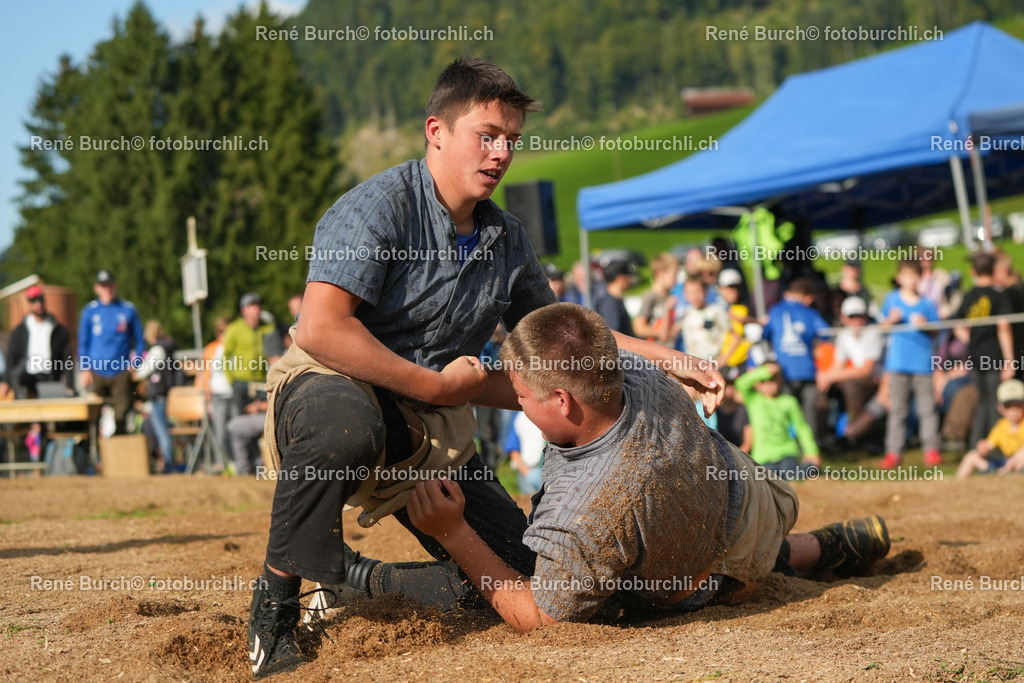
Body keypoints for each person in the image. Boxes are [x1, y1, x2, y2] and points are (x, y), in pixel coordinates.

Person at [246, 58, 724, 679]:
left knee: (526, 582)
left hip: (431, 428)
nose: (500, 152)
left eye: (511, 140)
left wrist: (671, 360)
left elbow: (563, 342)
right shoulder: (376, 208)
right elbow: (320, 327)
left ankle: (357, 583)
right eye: (487, 134)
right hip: (331, 386)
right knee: (343, 428)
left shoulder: (509, 238)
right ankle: (275, 613)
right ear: (436, 131)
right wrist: (435, 384)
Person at [401, 303, 889, 631]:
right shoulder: (631, 372)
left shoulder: (587, 512)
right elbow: (598, 359)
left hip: (717, 573)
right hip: (759, 499)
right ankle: (825, 548)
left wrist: (453, 532)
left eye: (523, 397)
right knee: (686, 526)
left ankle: (787, 562)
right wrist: (435, 388)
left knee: (599, 590)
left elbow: (539, 617)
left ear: (563, 401)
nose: (518, 405)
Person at [879, 259, 941, 469]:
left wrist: (926, 325)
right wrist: (891, 320)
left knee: (927, 409)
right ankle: (893, 453)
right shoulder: (892, 299)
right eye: (906, 275)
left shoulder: (927, 304)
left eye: (915, 275)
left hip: (923, 364)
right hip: (897, 365)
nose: (911, 280)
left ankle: (931, 450)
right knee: (897, 410)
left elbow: (937, 332)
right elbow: (881, 328)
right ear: (899, 278)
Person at [954, 252, 1016, 448]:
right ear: (993, 270)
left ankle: (975, 446)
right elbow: (1004, 327)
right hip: (995, 356)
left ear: (973, 271)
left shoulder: (969, 295)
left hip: (976, 357)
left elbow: (957, 324)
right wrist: (1009, 360)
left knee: (983, 402)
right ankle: (994, 449)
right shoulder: (999, 295)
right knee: (997, 404)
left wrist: (970, 340)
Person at [762, 277, 829, 442]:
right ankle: (811, 456)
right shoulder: (810, 313)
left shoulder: (775, 310)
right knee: (808, 415)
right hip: (807, 371)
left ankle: (787, 450)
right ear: (808, 297)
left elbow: (765, 335)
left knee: (784, 412)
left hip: (784, 371)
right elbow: (826, 334)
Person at [78, 270, 145, 435]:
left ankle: (118, 450)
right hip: (96, 371)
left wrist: (135, 364)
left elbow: (140, 341)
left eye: (109, 285)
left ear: (115, 286)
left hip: (120, 371)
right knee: (93, 414)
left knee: (121, 413)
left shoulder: (127, 310)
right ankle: (95, 452)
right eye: (103, 286)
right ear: (97, 288)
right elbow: (83, 343)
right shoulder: (90, 311)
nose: (107, 289)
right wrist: (85, 369)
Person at [814, 296, 883, 443]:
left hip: (875, 381)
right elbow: (839, 364)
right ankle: (822, 437)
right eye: (852, 317)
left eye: (860, 316)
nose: (856, 320)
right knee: (821, 388)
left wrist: (831, 376)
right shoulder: (844, 335)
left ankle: (853, 434)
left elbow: (866, 370)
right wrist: (825, 377)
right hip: (856, 379)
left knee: (851, 385)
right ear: (844, 318)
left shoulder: (873, 333)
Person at [736, 362, 821, 475]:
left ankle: (811, 469)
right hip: (763, 457)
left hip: (787, 452)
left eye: (772, 379)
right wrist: (766, 371)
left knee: (791, 475)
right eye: (764, 380)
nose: (768, 383)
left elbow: (802, 428)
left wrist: (811, 451)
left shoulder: (789, 401)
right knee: (766, 479)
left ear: (780, 380)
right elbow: (741, 383)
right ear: (757, 384)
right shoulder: (753, 400)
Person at [1, 285, 75, 399]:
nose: (38, 304)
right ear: (29, 304)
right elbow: (11, 357)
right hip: (26, 378)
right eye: (33, 301)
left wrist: (70, 384)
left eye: (40, 300)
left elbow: (67, 358)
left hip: (51, 378)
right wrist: (6, 382)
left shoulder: (59, 330)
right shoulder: (20, 331)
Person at [133, 320, 178, 473]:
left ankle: (168, 464)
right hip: (165, 394)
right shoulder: (167, 347)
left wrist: (134, 373)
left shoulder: (158, 350)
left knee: (162, 432)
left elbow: (144, 371)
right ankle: (167, 462)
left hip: (159, 395)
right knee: (162, 430)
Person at [956, 378, 1024, 478]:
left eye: (1018, 406)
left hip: (1018, 465)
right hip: (1002, 466)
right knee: (970, 457)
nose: (1014, 411)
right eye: (1009, 406)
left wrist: (1013, 461)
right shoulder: (1001, 426)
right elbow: (989, 445)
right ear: (1000, 408)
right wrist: (982, 449)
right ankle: (956, 483)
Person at [223, 292, 275, 418]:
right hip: (241, 382)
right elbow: (225, 355)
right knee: (241, 421)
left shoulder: (267, 327)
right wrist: (232, 381)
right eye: (253, 306)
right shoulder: (234, 329)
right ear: (244, 310)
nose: (257, 309)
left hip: (262, 382)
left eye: (258, 305)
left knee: (267, 418)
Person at [198, 317, 233, 462]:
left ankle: (238, 463)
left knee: (234, 430)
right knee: (220, 432)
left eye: (225, 331)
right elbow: (204, 373)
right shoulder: (211, 349)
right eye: (220, 331)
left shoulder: (234, 347)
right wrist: (206, 398)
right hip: (217, 395)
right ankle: (222, 462)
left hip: (233, 394)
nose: (222, 334)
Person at [674, 277, 731, 365]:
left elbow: (735, 336)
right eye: (689, 292)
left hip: (714, 363)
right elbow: (668, 336)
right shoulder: (685, 314)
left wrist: (724, 359)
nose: (694, 296)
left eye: (697, 291)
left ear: (706, 290)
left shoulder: (716, 311)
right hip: (694, 365)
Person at [632, 253, 678, 345]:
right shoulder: (650, 296)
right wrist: (661, 333)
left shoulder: (670, 296)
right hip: (654, 352)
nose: (676, 279)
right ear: (660, 274)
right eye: (674, 274)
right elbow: (639, 328)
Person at [717, 268, 754, 370]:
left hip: (735, 362)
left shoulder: (742, 309)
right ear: (721, 288)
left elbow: (737, 336)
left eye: (736, 287)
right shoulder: (716, 309)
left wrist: (724, 359)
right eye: (729, 288)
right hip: (722, 361)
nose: (734, 291)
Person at [503, 411, 544, 494]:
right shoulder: (519, 416)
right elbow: (513, 448)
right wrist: (526, 471)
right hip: (529, 469)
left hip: (545, 470)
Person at [593, 260, 637, 336]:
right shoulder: (610, 304)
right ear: (621, 278)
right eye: (629, 276)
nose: (631, 280)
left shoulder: (613, 301)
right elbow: (614, 336)